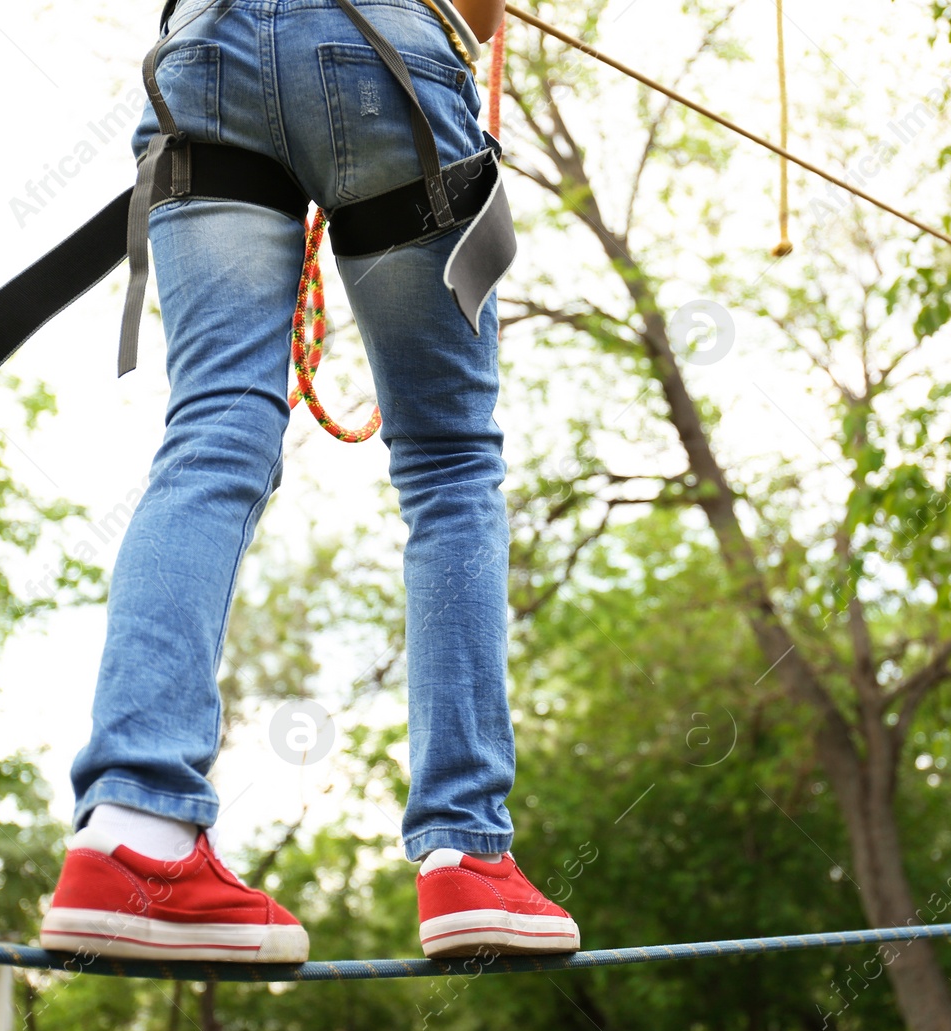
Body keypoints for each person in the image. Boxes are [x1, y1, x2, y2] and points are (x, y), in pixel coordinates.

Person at [35, 0, 579, 963]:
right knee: (451, 461)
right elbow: (482, 19)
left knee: (211, 433)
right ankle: (466, 854)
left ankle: (133, 836)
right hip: (385, 54)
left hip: (204, 58)